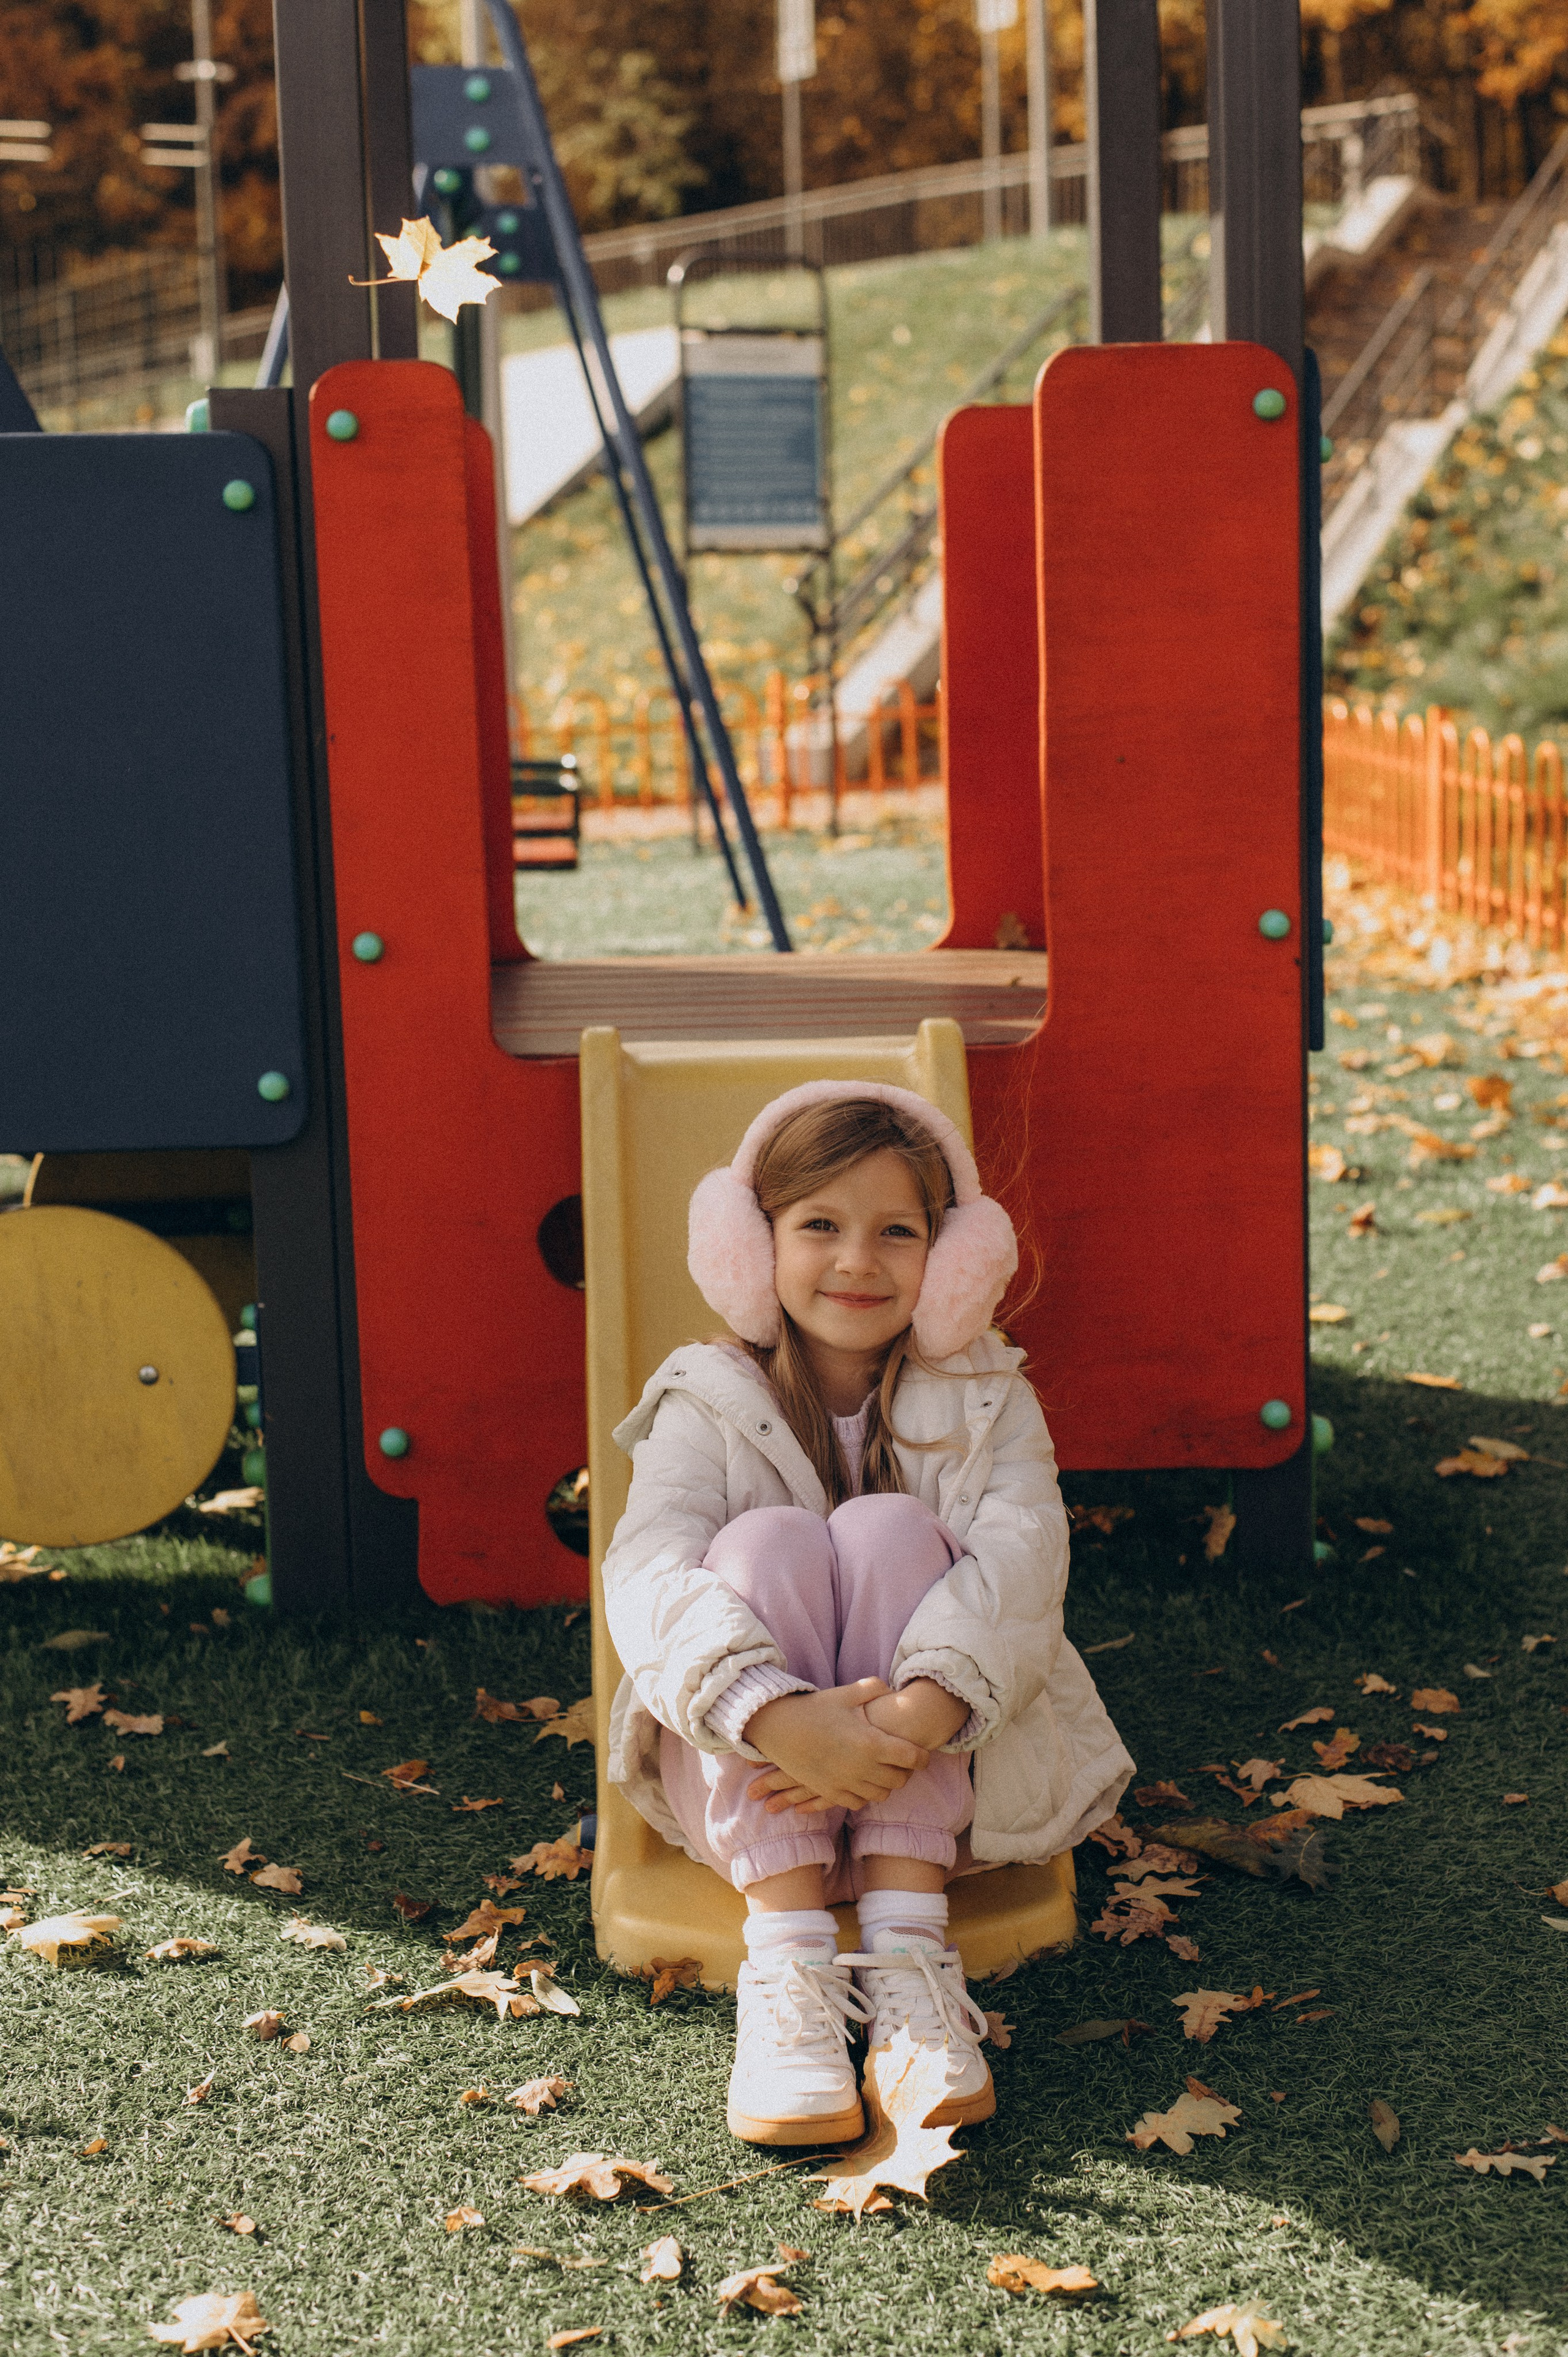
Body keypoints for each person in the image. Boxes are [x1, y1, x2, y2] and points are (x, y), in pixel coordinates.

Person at [601, 1082, 1134, 2146]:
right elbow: (647, 1567)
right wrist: (772, 1713)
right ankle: (791, 1963)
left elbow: (1027, 1560)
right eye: (820, 1227)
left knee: (892, 1529)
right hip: (759, 1787)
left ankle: (907, 1959)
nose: (858, 1261)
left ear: (952, 1260)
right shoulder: (705, 1398)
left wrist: (922, 1714)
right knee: (762, 1544)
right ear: (752, 1251)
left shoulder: (989, 1397)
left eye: (898, 1231)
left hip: (933, 1783)